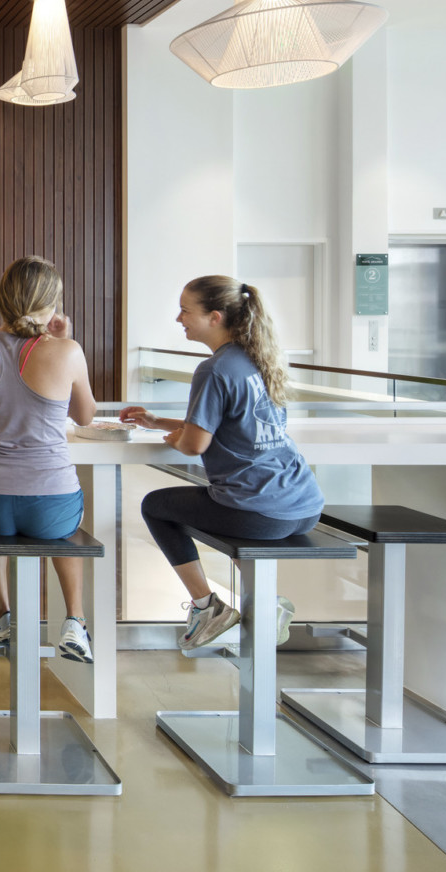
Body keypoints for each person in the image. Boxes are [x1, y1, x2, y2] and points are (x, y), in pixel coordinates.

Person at [121, 275, 323, 650]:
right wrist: (156, 422)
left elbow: (195, 444)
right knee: (221, 508)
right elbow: (225, 424)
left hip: (260, 511)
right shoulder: (257, 358)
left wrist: (179, 438)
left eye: (185, 310)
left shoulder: (213, 369)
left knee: (156, 506)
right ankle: (266, 605)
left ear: (215, 317)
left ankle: (208, 607)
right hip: (304, 503)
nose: (179, 319)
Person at [0, 256, 97, 661]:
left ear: (4, 299)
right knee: (64, 532)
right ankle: (75, 623)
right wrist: (66, 341)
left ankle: (0, 613)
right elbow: (84, 417)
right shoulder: (68, 351)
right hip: (52, 506)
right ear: (52, 305)